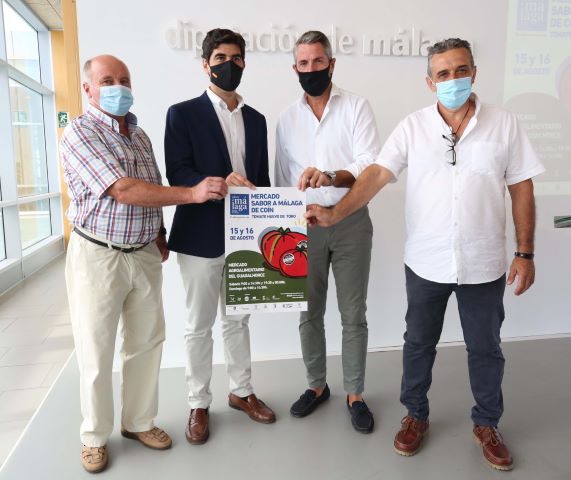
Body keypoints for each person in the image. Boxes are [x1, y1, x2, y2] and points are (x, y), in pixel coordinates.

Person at [305, 38, 545, 470]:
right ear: (430, 82)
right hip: (426, 261)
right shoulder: (412, 127)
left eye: (461, 70)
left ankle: (487, 424)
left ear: (474, 72)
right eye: (443, 73)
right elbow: (376, 174)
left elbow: (522, 187)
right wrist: (335, 213)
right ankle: (415, 415)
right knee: (418, 344)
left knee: (486, 348)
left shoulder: (505, 124)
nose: (453, 79)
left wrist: (524, 253)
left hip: (483, 262)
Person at [60, 55, 227, 473]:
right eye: (107, 81)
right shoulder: (80, 132)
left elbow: (152, 185)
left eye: (124, 79)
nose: (117, 87)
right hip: (99, 255)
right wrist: (192, 194)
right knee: (96, 349)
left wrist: (160, 234)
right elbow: (123, 189)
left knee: (147, 344)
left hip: (143, 254)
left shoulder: (139, 135)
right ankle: (94, 437)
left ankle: (138, 422)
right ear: (88, 89)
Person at [164, 28, 275, 445]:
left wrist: (269, 212)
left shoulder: (257, 120)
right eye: (221, 58)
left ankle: (241, 391)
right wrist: (216, 182)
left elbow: (262, 179)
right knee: (198, 324)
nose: (229, 64)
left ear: (244, 63)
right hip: (199, 235)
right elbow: (178, 172)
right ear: (205, 64)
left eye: (236, 58)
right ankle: (198, 402)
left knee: (239, 319)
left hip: (246, 235)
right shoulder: (182, 113)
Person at [275, 31, 381, 433]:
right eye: (304, 63)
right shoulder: (286, 119)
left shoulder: (356, 107)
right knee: (308, 312)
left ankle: (355, 393)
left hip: (350, 219)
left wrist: (332, 175)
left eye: (318, 61)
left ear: (332, 64)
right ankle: (316, 386)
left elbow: (369, 163)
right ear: (295, 69)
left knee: (354, 313)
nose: (311, 69)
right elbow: (281, 177)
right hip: (304, 226)